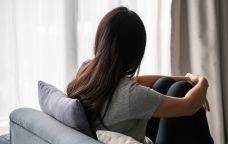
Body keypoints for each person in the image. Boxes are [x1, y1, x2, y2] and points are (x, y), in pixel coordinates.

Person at [67, 6, 213, 144]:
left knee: (163, 84)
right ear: (135, 54)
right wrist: (202, 81)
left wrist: (186, 77)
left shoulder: (86, 71)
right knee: (181, 89)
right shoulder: (131, 96)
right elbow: (190, 105)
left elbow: (137, 81)